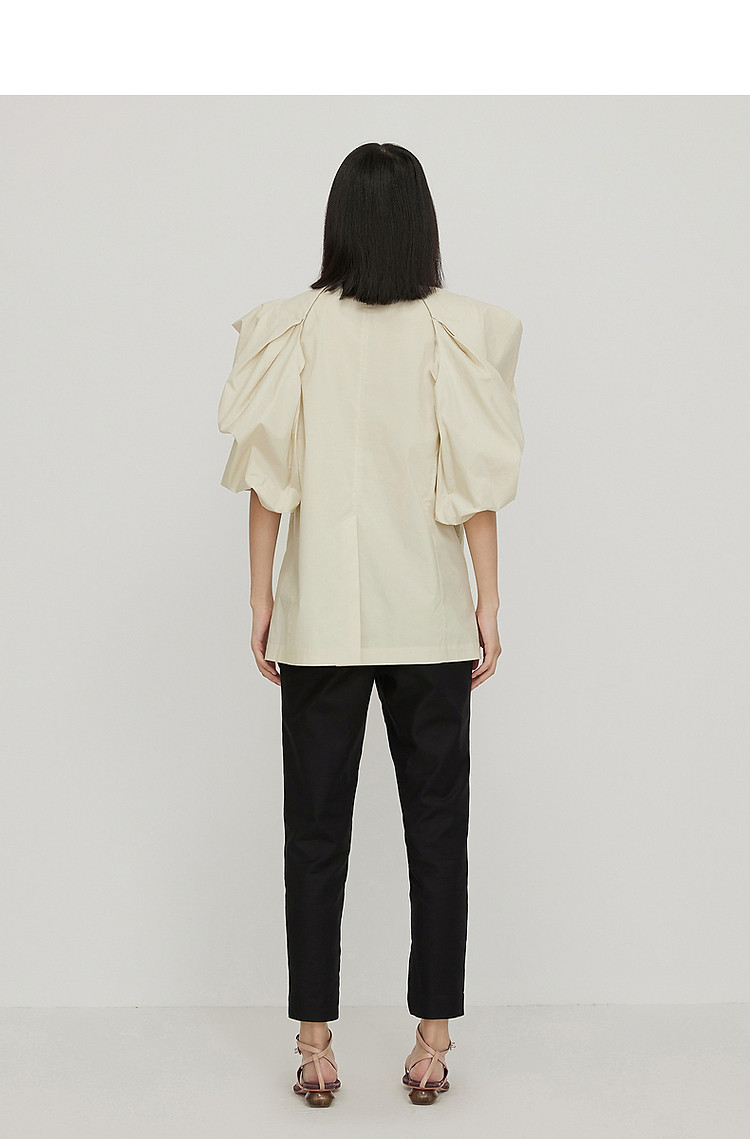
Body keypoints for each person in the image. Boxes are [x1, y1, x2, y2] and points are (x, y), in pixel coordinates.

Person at [217, 142, 525, 1107]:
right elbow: (475, 484)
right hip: (429, 617)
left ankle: (314, 1043)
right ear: (420, 224)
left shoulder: (293, 329)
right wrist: (488, 599)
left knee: (314, 832)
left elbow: (268, 481)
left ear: (339, 223)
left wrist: (261, 596)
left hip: (322, 620)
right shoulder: (451, 330)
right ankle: (433, 1040)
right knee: (438, 830)